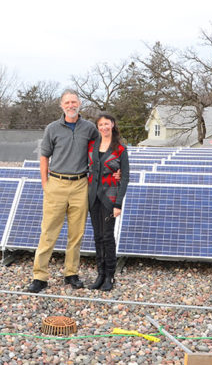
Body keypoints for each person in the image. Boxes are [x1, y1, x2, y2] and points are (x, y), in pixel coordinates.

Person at [27, 89, 99, 293]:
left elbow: (99, 153)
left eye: (74, 102)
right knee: (49, 231)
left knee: (76, 234)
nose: (71, 105)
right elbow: (44, 156)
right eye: (67, 102)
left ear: (80, 104)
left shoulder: (89, 128)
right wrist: (45, 183)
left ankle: (71, 273)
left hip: (80, 184)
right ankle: (39, 276)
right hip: (56, 183)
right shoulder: (52, 128)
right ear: (61, 105)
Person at [86, 113, 129, 291]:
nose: (104, 127)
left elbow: (125, 177)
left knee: (107, 237)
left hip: (110, 198)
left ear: (112, 125)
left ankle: (110, 275)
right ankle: (100, 274)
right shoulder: (91, 146)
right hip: (93, 196)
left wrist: (118, 203)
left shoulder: (120, 149)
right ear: (98, 127)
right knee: (97, 237)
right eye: (101, 124)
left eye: (107, 123)